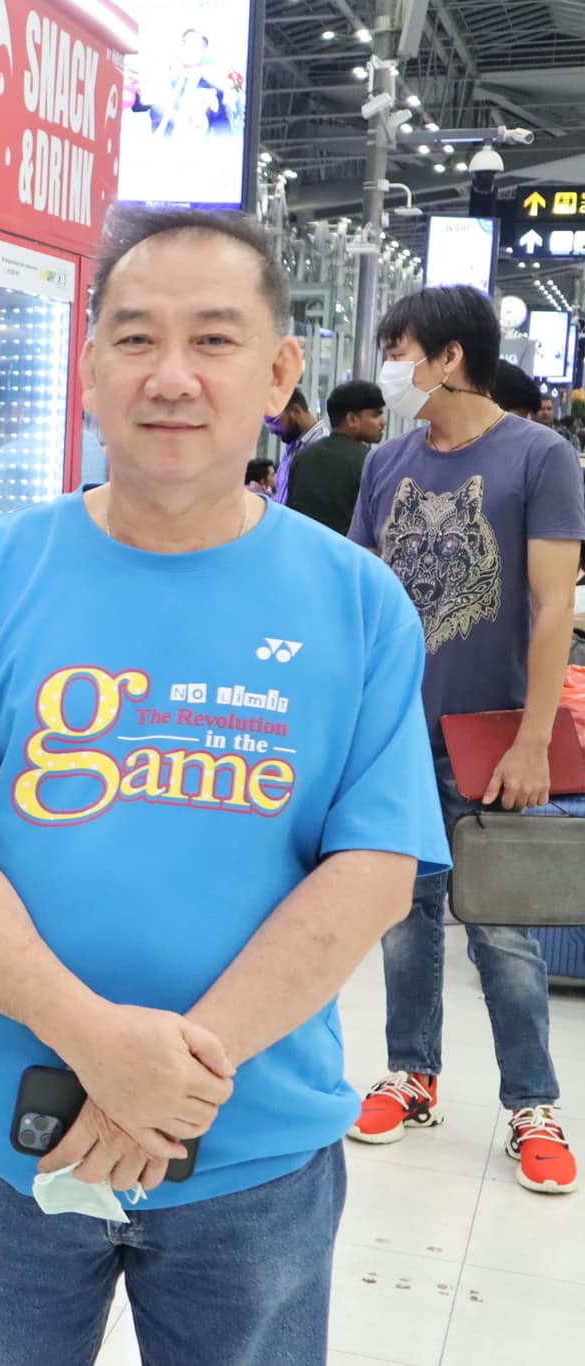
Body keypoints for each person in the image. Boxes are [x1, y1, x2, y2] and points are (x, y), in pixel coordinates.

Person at [0, 209, 448, 1364]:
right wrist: (93, 1041)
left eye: (212, 340)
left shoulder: (357, 602)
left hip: (251, 1152)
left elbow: (373, 872)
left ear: (277, 373)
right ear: (87, 368)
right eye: (134, 339)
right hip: (8, 1134)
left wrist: (170, 1079)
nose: (170, 376)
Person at [346, 286, 582, 1195]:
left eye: (400, 348)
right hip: (394, 736)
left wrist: (533, 741)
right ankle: (413, 1075)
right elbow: (366, 594)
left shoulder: (540, 456)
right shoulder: (388, 461)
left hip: (491, 735)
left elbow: (554, 606)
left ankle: (532, 1103)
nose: (390, 368)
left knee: (503, 930)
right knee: (403, 919)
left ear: (449, 358)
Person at [285, 379, 385, 535]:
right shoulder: (370, 462)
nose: (383, 422)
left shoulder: (301, 458)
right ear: (352, 419)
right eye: (376, 415)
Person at [268, 386, 329, 505]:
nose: (271, 430)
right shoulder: (292, 445)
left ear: (295, 411)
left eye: (274, 421)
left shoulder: (322, 446)